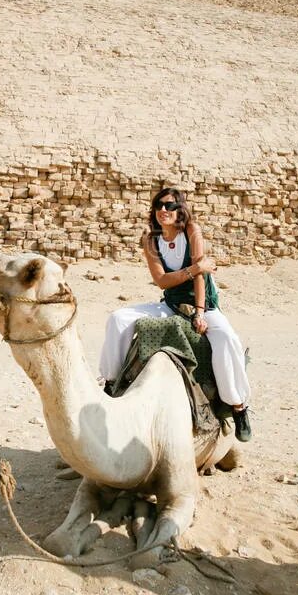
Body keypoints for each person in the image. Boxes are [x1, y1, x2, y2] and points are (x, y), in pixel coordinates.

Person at [99, 187, 252, 442]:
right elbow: (162, 280)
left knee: (226, 338)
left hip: (205, 306)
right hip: (170, 304)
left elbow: (201, 278)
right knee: (118, 319)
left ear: (180, 209)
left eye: (170, 206)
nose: (163, 210)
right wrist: (194, 268)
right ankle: (111, 384)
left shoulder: (192, 231)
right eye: (159, 205)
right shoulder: (151, 240)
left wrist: (200, 313)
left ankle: (238, 407)